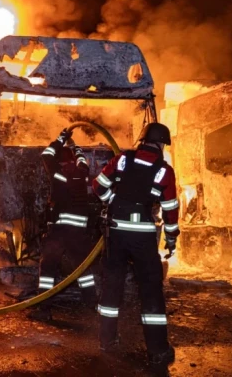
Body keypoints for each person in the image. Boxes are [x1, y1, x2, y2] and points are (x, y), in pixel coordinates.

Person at [91, 122, 178, 370]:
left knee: (112, 286)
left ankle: (107, 341)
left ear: (143, 139)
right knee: (150, 291)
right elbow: (170, 208)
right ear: (161, 145)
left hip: (116, 233)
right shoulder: (164, 171)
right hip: (143, 237)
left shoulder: (122, 159)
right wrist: (171, 238)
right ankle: (158, 351)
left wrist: (112, 201)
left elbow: (98, 186)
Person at [29, 127, 98, 322]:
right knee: (83, 269)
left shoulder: (58, 173)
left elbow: (46, 154)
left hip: (59, 230)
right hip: (79, 231)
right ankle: (92, 305)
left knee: (48, 269)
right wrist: (74, 146)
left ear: (60, 160)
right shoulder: (82, 172)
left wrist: (61, 137)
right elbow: (82, 158)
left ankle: (44, 309)